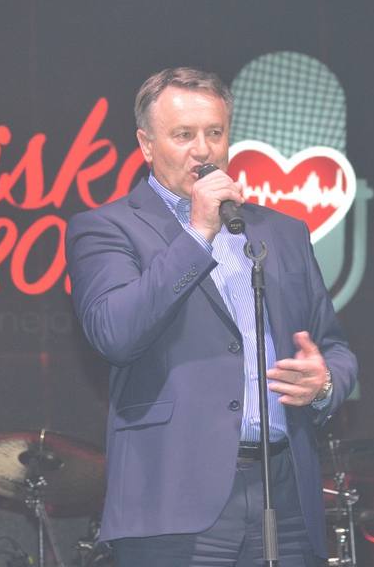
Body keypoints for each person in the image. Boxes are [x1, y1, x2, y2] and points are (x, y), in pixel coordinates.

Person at [66, 67, 357, 566]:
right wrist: (197, 232)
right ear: (147, 145)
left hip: (285, 493)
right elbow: (116, 333)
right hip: (174, 499)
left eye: (215, 133)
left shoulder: (281, 231)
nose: (203, 150)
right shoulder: (106, 228)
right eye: (183, 135)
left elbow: (334, 345)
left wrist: (325, 382)